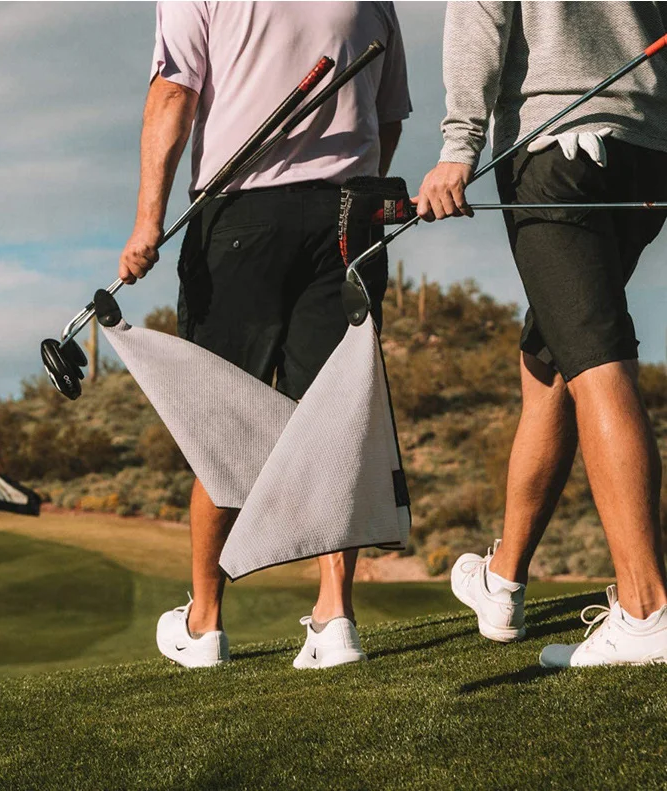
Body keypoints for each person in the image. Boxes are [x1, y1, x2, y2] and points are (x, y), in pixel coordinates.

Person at [119, 2, 410, 668]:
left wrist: (146, 223)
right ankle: (335, 617)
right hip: (349, 218)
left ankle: (205, 623)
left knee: (219, 417)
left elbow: (173, 95)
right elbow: (387, 118)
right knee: (333, 418)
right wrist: (354, 198)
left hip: (239, 216)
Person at [417, 1, 667, 667]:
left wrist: (458, 148)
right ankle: (502, 580)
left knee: (596, 362)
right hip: (647, 151)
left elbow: (480, 16)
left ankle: (646, 611)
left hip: (556, 148)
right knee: (549, 359)